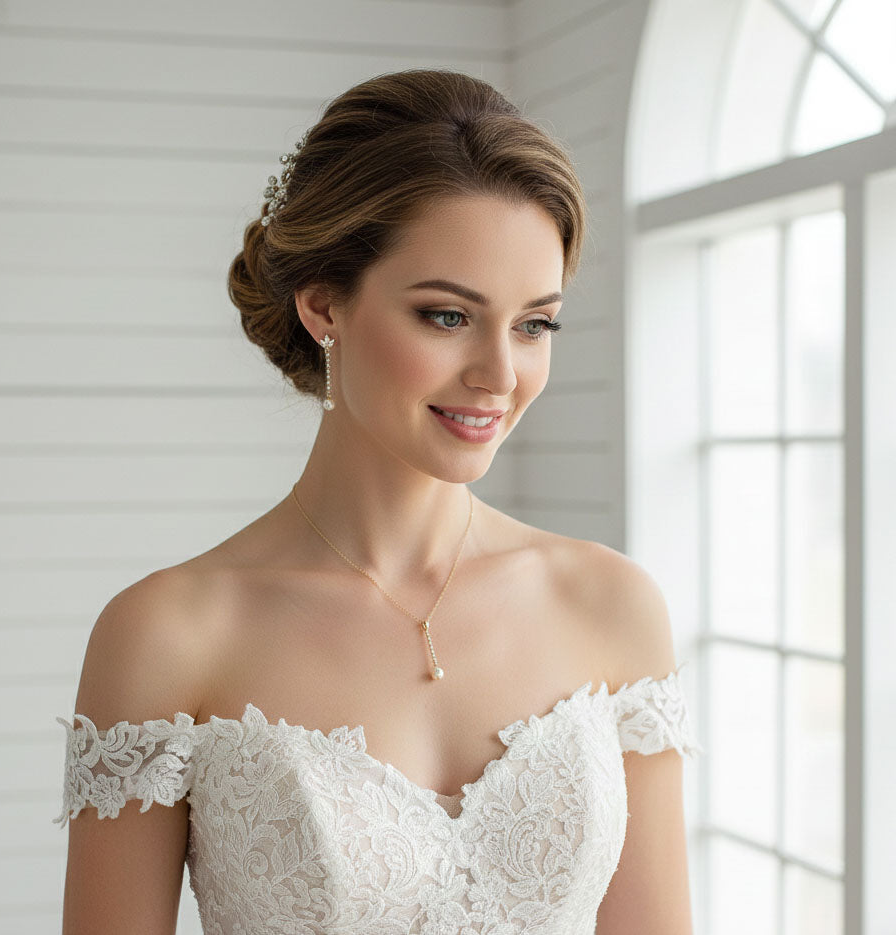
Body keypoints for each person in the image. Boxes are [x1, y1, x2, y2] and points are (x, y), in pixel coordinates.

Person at [53, 68, 702, 934]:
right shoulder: (168, 633)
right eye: (446, 316)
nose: (500, 376)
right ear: (324, 304)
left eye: (533, 323)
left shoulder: (610, 605)